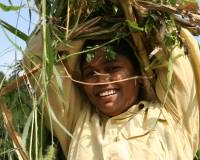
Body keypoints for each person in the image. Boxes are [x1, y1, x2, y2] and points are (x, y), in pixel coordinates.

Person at [24, 28, 200, 159]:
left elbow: (173, 44)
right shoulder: (76, 121)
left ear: (139, 75)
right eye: (90, 73)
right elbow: (36, 56)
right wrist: (89, 24)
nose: (101, 80)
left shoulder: (171, 114)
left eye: (112, 68)